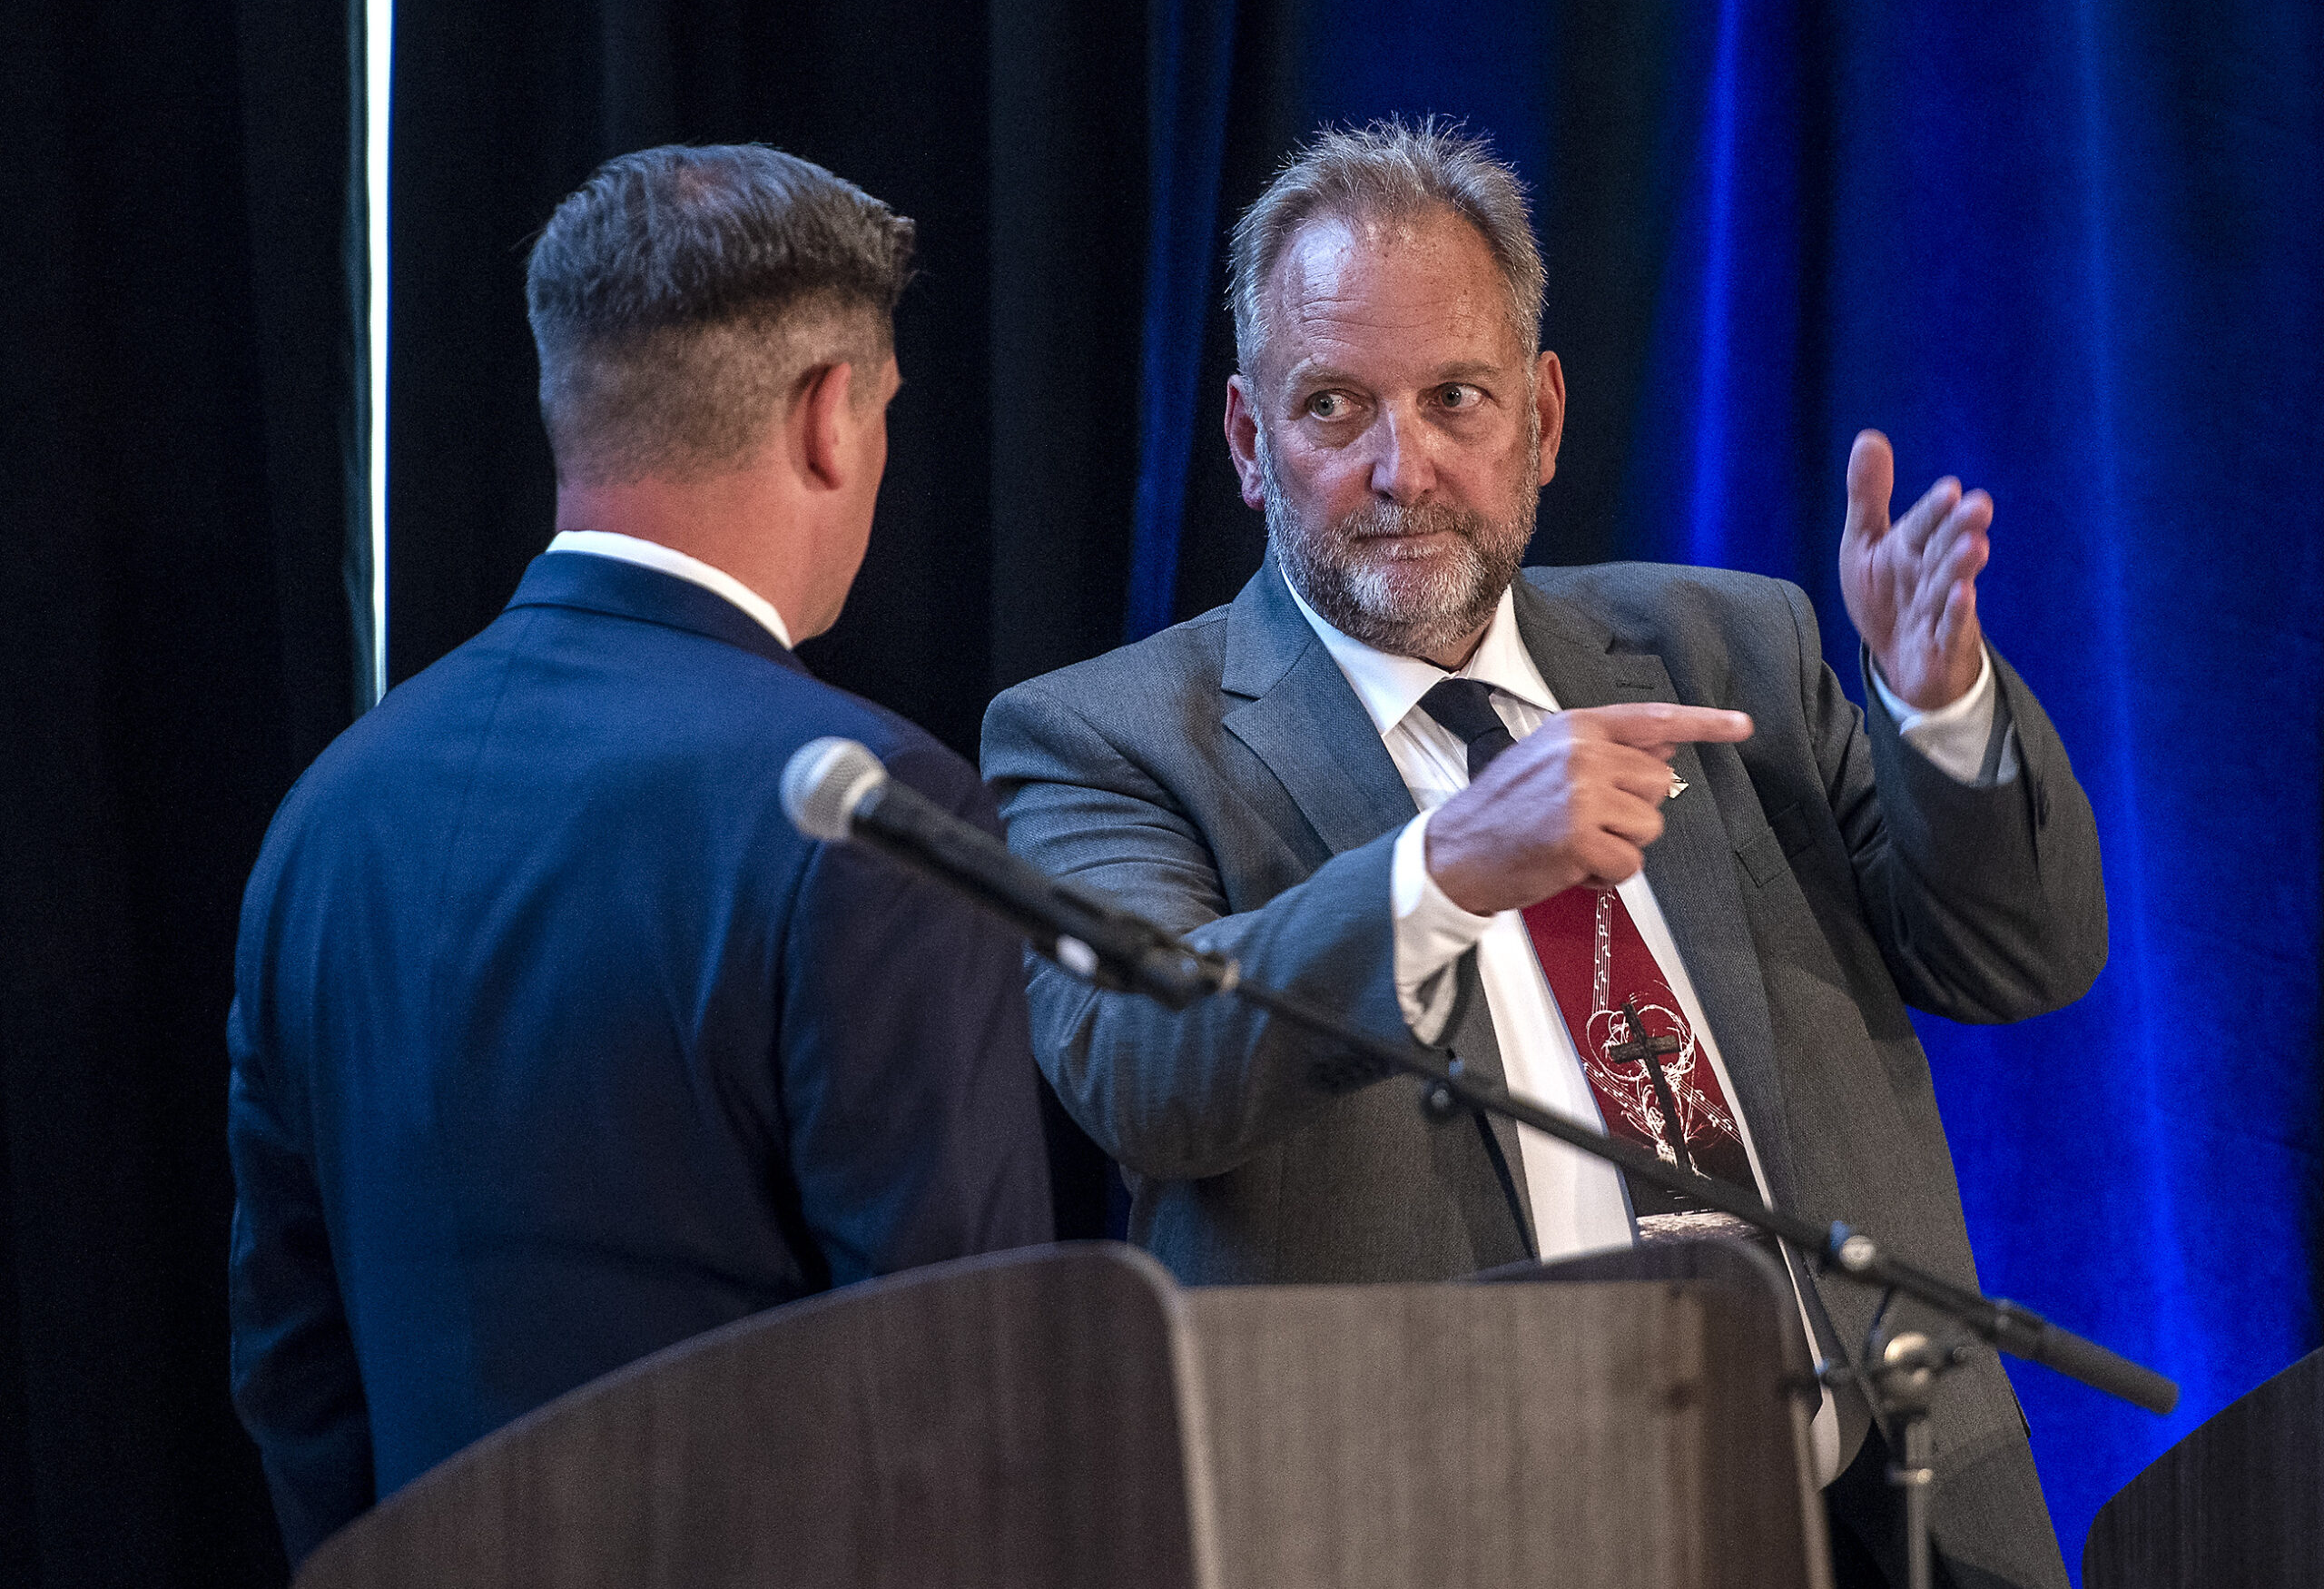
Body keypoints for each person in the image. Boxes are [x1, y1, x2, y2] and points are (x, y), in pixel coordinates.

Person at [981, 119, 2102, 1589]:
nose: (1403, 468)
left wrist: (1935, 704)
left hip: (1874, 1513)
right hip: (1453, 1532)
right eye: (1334, 407)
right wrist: (1442, 867)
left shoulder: (1729, 643)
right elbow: (1141, 1069)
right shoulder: (1106, 736)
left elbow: (2019, 954)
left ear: (1544, 418)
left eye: (1457, 398)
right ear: (1251, 446)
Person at [228, 144, 1055, 1566]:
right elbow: (965, 1393)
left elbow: (292, 1367)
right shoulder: (869, 813)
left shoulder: (324, 818)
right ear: (830, 420)